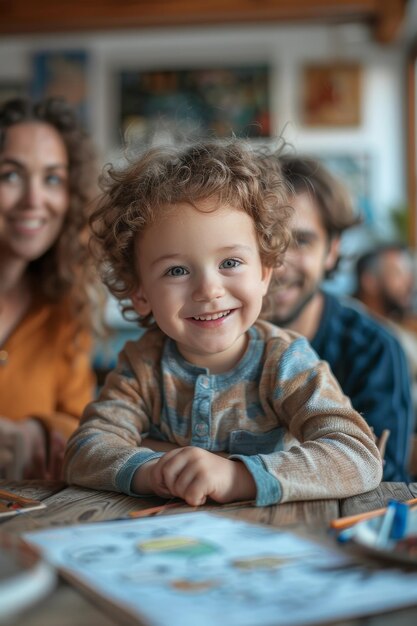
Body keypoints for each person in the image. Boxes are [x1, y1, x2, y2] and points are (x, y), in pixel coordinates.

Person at [64, 140, 382, 507]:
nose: (209, 290)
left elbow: (358, 456)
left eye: (230, 262)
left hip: (274, 545)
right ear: (140, 293)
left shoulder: (285, 361)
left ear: (264, 272)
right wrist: (154, 469)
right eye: (177, 270)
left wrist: (238, 476)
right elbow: (84, 452)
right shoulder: (143, 366)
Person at [263, 154, 413, 482]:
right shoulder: (200, 340)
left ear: (332, 250)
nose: (279, 265)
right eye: (265, 240)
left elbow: (384, 481)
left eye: (301, 241)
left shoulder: (375, 350)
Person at [0, 97, 98, 480]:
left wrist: (36, 432)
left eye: (53, 179)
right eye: (10, 175)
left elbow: (85, 428)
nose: (34, 201)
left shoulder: (65, 309)